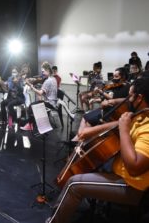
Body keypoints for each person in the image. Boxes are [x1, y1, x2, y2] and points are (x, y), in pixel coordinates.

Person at [46, 76, 149, 223]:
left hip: (130, 186)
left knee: (74, 184)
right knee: (90, 164)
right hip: (120, 171)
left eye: (130, 96)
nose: (127, 100)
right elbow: (119, 126)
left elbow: (134, 168)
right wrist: (92, 132)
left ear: (139, 98)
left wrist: (124, 130)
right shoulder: (141, 116)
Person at [21, 61, 58, 131]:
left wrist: (31, 86)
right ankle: (34, 123)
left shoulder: (48, 81)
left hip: (50, 104)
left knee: (31, 106)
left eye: (43, 71)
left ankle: (30, 125)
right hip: (54, 102)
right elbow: (48, 91)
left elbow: (40, 93)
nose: (42, 73)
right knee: (38, 101)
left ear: (47, 70)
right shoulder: (54, 79)